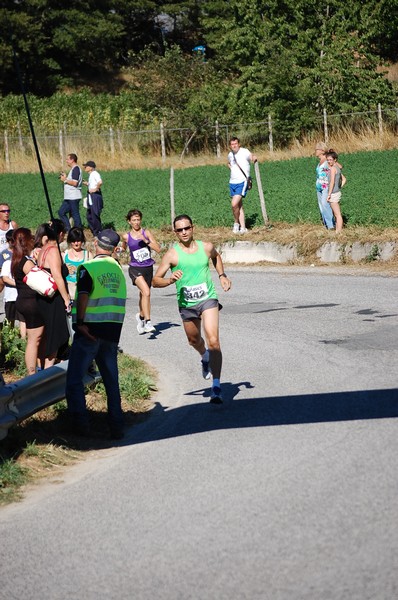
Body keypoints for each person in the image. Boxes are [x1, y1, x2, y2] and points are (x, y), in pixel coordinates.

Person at [153, 214, 231, 404]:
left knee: (214, 340)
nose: (184, 232)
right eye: (179, 230)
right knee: (193, 339)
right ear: (175, 232)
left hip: (208, 298)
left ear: (193, 227)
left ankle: (216, 386)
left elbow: (216, 256)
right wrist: (170, 279)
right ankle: (204, 356)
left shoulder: (206, 247)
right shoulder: (172, 255)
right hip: (187, 303)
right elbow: (155, 281)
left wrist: (222, 275)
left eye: (187, 228)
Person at [65, 229, 127, 439]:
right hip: (111, 332)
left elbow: (83, 295)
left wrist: (80, 322)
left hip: (89, 330)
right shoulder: (117, 269)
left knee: (74, 380)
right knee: (111, 381)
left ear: (96, 244)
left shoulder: (88, 267)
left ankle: (80, 428)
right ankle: (117, 426)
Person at [35, 222, 71, 368]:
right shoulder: (53, 250)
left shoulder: (43, 249)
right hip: (53, 298)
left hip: (42, 298)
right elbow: (57, 276)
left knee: (47, 335)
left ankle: (44, 367)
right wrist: (66, 298)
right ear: (60, 234)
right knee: (55, 335)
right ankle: (48, 371)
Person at [11, 228, 45, 374]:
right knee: (34, 339)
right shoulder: (25, 262)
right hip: (31, 302)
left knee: (33, 339)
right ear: (26, 241)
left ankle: (33, 371)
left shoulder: (16, 259)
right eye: (31, 238)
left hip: (22, 301)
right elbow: (39, 280)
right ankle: (32, 373)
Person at [121, 209, 161, 334]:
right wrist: (118, 250)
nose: (136, 222)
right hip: (135, 268)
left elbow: (158, 249)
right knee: (146, 292)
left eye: (138, 220)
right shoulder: (126, 236)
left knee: (144, 294)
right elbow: (122, 248)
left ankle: (141, 317)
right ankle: (148, 322)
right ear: (129, 222)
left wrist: (146, 240)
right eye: (134, 220)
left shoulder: (146, 233)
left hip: (148, 267)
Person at [227, 137, 257, 234]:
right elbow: (228, 163)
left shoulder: (244, 151)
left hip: (242, 182)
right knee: (239, 206)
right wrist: (232, 169)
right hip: (232, 182)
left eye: (235, 143)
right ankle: (243, 228)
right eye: (232, 144)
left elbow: (251, 156)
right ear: (230, 146)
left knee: (234, 204)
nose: (234, 145)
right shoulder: (230, 155)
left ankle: (236, 224)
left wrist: (254, 158)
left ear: (239, 144)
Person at [1, 230, 26, 336]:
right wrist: (18, 283)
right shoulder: (5, 260)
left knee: (22, 319)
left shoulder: (24, 259)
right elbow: (4, 278)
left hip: (20, 295)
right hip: (10, 295)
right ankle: (9, 337)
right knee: (9, 318)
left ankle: (23, 339)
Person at [62, 227, 93, 300]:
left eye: (78, 240)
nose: (76, 243)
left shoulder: (88, 255)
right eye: (73, 241)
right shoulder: (64, 255)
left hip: (83, 292)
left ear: (82, 241)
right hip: (68, 292)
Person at [58, 153, 83, 231]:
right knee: (61, 212)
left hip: (73, 196)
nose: (66, 161)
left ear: (72, 160)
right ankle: (68, 229)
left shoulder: (76, 169)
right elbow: (72, 180)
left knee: (75, 214)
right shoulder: (73, 169)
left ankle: (78, 231)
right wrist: (65, 177)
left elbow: (75, 183)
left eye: (67, 159)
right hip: (69, 197)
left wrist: (65, 180)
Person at [315, 142, 334, 230]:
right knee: (321, 206)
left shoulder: (327, 161)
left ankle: (331, 225)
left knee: (325, 204)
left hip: (325, 186)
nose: (315, 151)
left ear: (322, 151)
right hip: (319, 187)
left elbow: (335, 168)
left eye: (316, 150)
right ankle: (326, 225)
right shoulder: (319, 162)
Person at [0, 202, 18, 293]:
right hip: (0, 257)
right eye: (3, 211)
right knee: (1, 282)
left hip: (11, 255)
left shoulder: (13, 224)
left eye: (8, 211)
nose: (6, 213)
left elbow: (18, 239)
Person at [83, 160, 103, 236]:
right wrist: (87, 184)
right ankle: (95, 231)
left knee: (94, 214)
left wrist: (95, 189)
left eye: (86, 166)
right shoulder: (91, 175)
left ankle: (98, 232)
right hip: (91, 196)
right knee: (89, 215)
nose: (85, 167)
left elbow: (100, 182)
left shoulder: (95, 173)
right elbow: (94, 184)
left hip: (95, 196)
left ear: (91, 167)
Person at [326, 150, 344, 233]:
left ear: (335, 160)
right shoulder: (337, 167)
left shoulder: (333, 169)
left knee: (337, 214)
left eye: (330, 160)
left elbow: (332, 182)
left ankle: (338, 232)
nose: (329, 161)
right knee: (336, 214)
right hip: (337, 192)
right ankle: (337, 230)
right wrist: (339, 187)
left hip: (333, 193)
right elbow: (344, 179)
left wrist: (329, 194)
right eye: (328, 160)